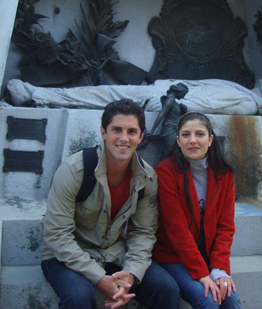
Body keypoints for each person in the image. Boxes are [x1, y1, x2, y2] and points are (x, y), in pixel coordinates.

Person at [40, 99, 180, 309]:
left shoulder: (147, 177)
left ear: (141, 137)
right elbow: (57, 235)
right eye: (117, 130)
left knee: (166, 289)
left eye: (132, 131)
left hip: (113, 251)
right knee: (79, 297)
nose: (124, 138)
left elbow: (143, 232)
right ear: (103, 133)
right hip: (66, 254)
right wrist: (99, 278)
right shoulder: (73, 170)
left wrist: (132, 273)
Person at [153, 112, 242, 309]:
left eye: (199, 134)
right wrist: (202, 273)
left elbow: (226, 226)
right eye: (186, 135)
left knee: (231, 300)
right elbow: (177, 230)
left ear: (210, 140)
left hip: (207, 256)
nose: (192, 140)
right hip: (173, 256)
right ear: (178, 141)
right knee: (208, 301)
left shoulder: (225, 174)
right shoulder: (166, 171)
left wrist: (219, 269)